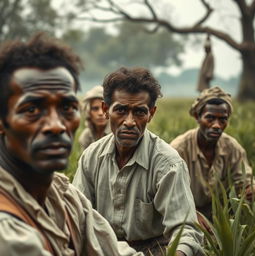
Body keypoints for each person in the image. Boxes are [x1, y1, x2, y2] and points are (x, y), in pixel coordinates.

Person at [0, 33, 143, 256]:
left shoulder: (63, 196)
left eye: (67, 107)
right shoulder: (6, 233)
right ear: (3, 121)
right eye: (32, 110)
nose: (56, 126)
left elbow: (113, 250)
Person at [73, 67, 204, 256]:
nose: (129, 121)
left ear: (151, 113)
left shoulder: (168, 164)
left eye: (139, 112)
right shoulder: (91, 157)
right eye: (121, 110)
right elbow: (79, 217)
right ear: (105, 110)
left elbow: (185, 230)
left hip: (155, 250)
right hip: (104, 248)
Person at [170, 86, 255, 222]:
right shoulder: (179, 149)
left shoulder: (232, 147)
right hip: (185, 214)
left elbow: (244, 182)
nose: (216, 125)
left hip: (221, 215)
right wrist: (192, 215)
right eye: (210, 118)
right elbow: (170, 195)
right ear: (198, 117)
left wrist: (250, 189)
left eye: (222, 120)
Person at [78, 85, 111, 151]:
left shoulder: (116, 134)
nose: (101, 113)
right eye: (95, 108)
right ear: (88, 112)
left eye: (104, 108)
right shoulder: (86, 137)